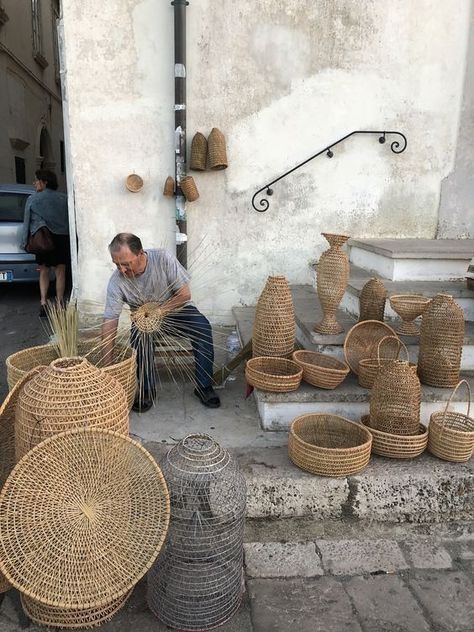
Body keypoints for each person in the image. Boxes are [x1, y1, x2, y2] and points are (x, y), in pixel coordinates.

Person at [101, 233, 220, 412]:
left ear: (140, 253)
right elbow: (110, 320)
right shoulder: (116, 282)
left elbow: (184, 295)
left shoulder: (162, 258)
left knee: (202, 327)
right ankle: (147, 390)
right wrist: (107, 363)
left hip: (177, 311)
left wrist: (158, 311)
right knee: (139, 338)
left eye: (126, 264)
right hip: (144, 321)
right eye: (116, 264)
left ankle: (204, 387)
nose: (122, 270)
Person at [21, 169, 70, 316]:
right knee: (60, 272)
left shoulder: (33, 199)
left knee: (43, 271)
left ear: (45, 182)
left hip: (43, 238)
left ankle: (43, 303)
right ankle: (60, 304)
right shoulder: (64, 198)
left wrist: (24, 242)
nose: (34, 183)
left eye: (36, 180)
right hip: (62, 238)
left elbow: (27, 222)